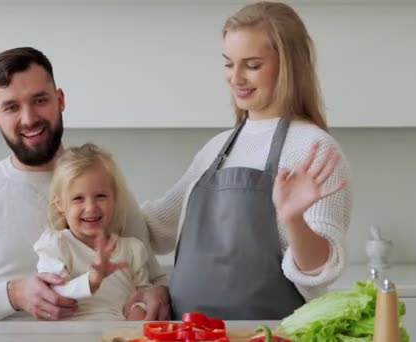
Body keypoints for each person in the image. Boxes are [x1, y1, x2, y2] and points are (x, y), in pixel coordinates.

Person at [132, 1, 353, 320]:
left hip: (271, 336)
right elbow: (155, 229)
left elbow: (320, 270)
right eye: (228, 64)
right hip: (189, 333)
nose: (235, 78)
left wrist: (293, 219)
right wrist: (92, 194)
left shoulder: (312, 149)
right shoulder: (216, 148)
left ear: (288, 65)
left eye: (251, 65)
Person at [0, 47, 168, 321]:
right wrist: (12, 295)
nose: (29, 118)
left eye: (39, 100)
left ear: (60, 100)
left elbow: (154, 283)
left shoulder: (103, 189)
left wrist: (157, 296)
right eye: (11, 107)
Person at [34, 143, 152, 320]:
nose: (90, 208)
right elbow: (54, 293)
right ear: (60, 204)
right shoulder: (56, 245)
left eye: (101, 196)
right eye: (78, 199)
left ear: (115, 198)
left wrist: (138, 313)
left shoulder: (132, 250)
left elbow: (145, 296)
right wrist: (93, 279)